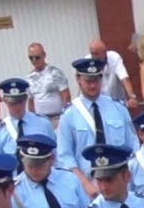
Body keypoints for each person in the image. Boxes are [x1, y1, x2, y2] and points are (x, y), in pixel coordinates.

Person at [56, 58, 139, 199]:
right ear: (78, 79)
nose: (93, 85)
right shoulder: (69, 115)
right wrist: (84, 183)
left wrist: (126, 176)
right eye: (88, 81)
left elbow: (133, 146)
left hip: (120, 180)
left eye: (96, 80)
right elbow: (65, 156)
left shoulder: (118, 108)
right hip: (89, 184)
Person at [0, 78, 54, 156]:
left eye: (20, 102)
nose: (17, 107)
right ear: (5, 101)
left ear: (26, 98)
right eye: (12, 103)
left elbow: (54, 153)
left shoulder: (43, 124)